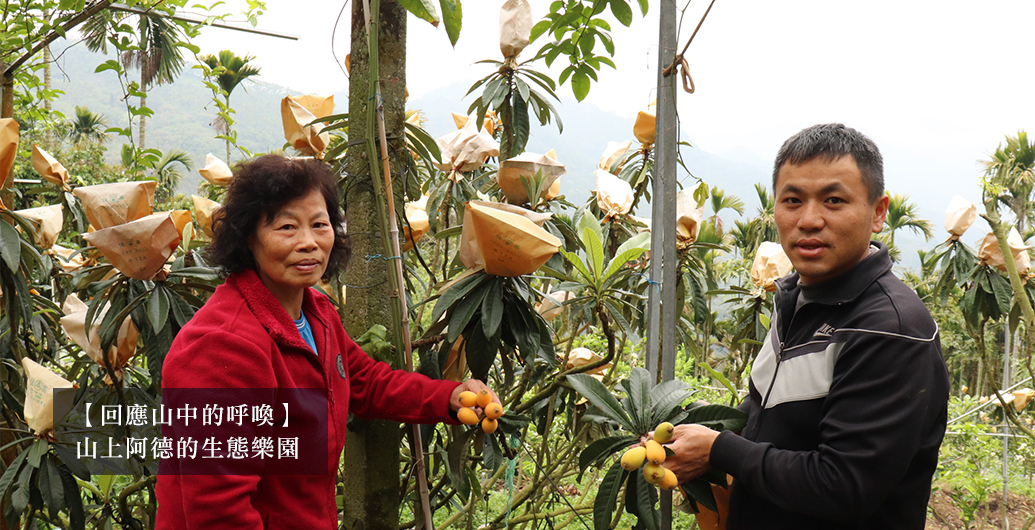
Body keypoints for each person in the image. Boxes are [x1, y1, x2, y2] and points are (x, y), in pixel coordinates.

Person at [155, 155, 496, 529]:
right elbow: (217, 510)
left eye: (320, 225)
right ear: (247, 236)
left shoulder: (315, 312)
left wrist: (446, 397)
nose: (309, 242)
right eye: (287, 227)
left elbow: (366, 382)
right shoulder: (221, 345)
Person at [663, 124, 950, 529]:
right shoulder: (794, 299)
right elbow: (766, 411)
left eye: (834, 200)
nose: (809, 220)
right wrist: (701, 432)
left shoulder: (890, 329)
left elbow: (844, 487)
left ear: (878, 212)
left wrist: (719, 450)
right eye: (793, 200)